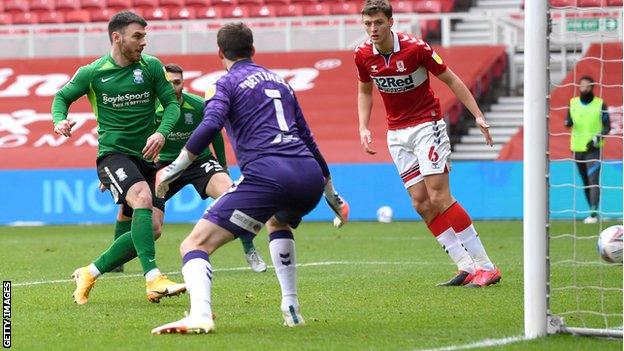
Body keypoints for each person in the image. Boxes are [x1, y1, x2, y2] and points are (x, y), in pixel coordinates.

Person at [150, 22, 349, 334]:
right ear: (252, 50)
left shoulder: (224, 83)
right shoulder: (282, 82)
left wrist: (173, 169)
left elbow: (211, 123)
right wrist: (332, 193)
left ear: (220, 53)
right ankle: (291, 306)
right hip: (308, 174)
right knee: (277, 221)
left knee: (194, 243)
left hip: (268, 175)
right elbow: (308, 138)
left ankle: (200, 314)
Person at [354, 0, 500, 287]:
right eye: (368, 23)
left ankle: (487, 266)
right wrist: (363, 126)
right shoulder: (362, 55)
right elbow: (364, 91)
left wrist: (478, 116)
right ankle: (466, 266)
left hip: (426, 125)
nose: (373, 28)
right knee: (421, 204)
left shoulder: (415, 49)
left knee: (439, 197)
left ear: (390, 22)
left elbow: (452, 80)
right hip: (396, 133)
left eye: (378, 22)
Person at [51, 11, 186, 304]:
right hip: (113, 155)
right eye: (137, 36)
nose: (143, 43)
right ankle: (154, 280)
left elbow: (171, 106)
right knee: (141, 199)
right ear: (117, 37)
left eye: (144, 36)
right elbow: (62, 97)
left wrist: (162, 132)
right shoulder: (93, 72)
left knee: (152, 228)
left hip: (147, 157)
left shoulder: (151, 67)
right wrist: (59, 120)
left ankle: (89, 272)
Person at [110, 63, 268, 274]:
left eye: (177, 82)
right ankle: (115, 260)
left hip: (197, 161)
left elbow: (215, 134)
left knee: (234, 196)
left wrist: (222, 165)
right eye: (168, 83)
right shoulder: (148, 109)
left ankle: (249, 248)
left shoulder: (198, 105)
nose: (174, 87)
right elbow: (131, 137)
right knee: (148, 224)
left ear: (183, 83)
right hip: (162, 166)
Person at [565, 76, 611, 224]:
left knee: (593, 181)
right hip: (577, 148)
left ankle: (593, 213)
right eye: (581, 85)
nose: (583, 88)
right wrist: (568, 122)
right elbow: (569, 120)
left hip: (593, 149)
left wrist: (596, 139)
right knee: (585, 181)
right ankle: (593, 213)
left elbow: (607, 126)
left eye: (586, 86)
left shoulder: (600, 104)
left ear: (592, 87)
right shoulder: (573, 103)